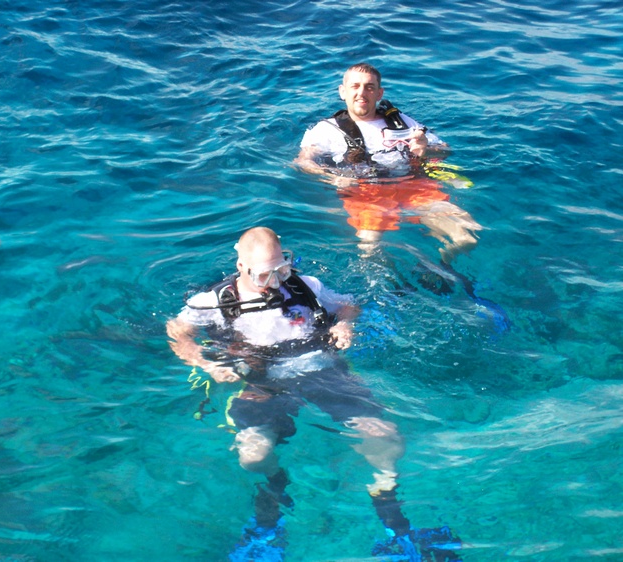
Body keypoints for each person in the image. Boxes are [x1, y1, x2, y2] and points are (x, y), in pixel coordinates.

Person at [166, 227, 461, 560]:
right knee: (253, 456)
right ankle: (273, 495)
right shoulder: (213, 302)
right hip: (261, 382)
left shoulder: (307, 287)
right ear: (241, 265)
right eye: (265, 275)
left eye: (283, 269)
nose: (276, 281)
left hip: (321, 371)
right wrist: (204, 364)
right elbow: (179, 333)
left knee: (387, 438)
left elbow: (348, 307)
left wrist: (343, 324)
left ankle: (392, 513)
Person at [296, 63, 481, 263]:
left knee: (467, 236)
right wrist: (333, 179)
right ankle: (392, 283)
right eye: (355, 86)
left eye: (369, 87)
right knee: (370, 247)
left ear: (379, 93)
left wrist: (426, 149)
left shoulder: (401, 120)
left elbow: (445, 150)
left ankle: (438, 266)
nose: (361, 93)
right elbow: (303, 162)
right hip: (366, 192)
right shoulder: (326, 130)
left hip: (413, 185)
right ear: (343, 92)